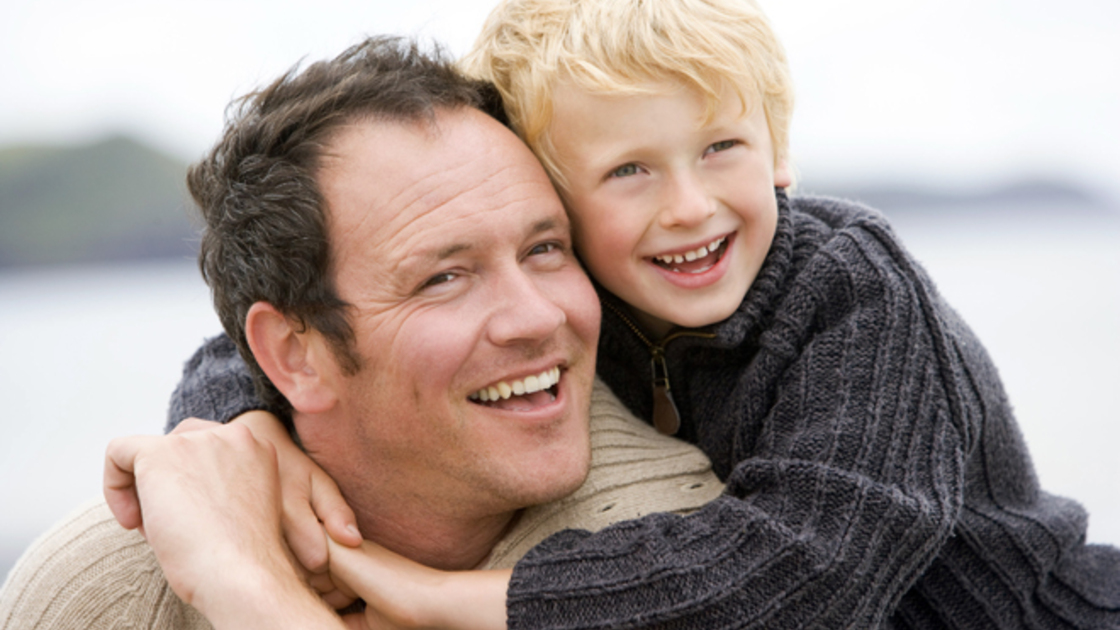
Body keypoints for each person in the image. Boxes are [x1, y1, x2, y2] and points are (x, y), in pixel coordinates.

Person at [167, 0, 1120, 627]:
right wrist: (243, 432)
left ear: (780, 148)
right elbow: (274, 331)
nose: (691, 206)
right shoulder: (580, 283)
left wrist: (453, 599)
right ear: (549, 191)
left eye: (723, 147)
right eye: (629, 170)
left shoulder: (851, 295)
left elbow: (808, 576)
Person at [0, 37, 724, 629]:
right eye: (444, 278)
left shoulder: (693, 552)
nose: (539, 317)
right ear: (293, 354)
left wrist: (246, 589)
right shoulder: (102, 592)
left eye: (544, 249)